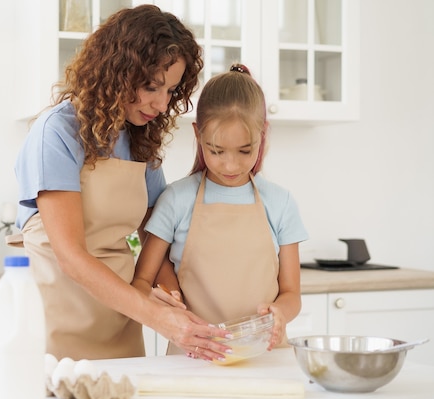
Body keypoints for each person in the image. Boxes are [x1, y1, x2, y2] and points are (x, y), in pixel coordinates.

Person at [12, 5, 229, 361]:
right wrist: (158, 317)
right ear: (116, 71)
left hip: (120, 316)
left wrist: (176, 304)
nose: (161, 104)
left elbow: (154, 238)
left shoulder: (139, 140)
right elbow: (71, 257)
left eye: (171, 91)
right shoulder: (57, 132)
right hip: (56, 318)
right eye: (150, 86)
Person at [132, 64, 309, 359]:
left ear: (262, 135)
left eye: (244, 151)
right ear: (198, 134)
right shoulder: (176, 199)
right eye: (216, 151)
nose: (230, 165)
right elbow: (142, 280)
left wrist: (280, 314)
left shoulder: (281, 203)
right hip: (193, 357)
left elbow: (292, 293)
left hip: (265, 358)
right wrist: (164, 301)